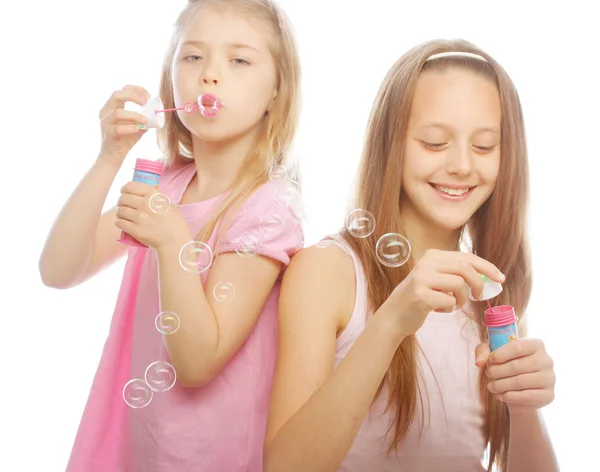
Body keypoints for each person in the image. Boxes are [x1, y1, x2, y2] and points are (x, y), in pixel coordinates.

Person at [264, 40, 558, 472]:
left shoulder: (489, 292)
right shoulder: (329, 271)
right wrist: (390, 323)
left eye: (483, 147)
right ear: (391, 143)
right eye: (435, 143)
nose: (461, 165)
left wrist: (525, 404)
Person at [39, 1, 303, 470]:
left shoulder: (267, 212)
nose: (210, 76)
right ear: (171, 77)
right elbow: (59, 271)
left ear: (277, 91)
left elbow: (197, 364)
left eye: (239, 60)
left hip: (204, 457)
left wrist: (173, 244)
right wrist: (109, 157)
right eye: (193, 56)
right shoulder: (164, 186)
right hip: (132, 444)